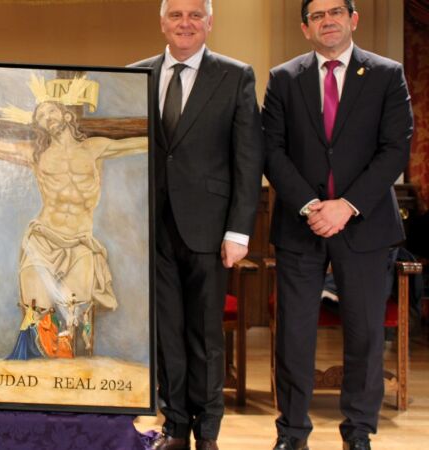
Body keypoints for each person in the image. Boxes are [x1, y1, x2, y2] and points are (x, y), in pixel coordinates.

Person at [262, 1, 413, 449]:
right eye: (317, 15)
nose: (327, 21)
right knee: (293, 335)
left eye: (336, 12)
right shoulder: (283, 78)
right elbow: (272, 151)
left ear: (353, 19)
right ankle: (292, 434)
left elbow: (395, 150)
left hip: (365, 225)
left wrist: (346, 206)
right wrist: (312, 206)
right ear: (305, 27)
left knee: (365, 334)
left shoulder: (387, 74)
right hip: (301, 226)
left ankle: (359, 432)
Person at [131, 1, 264, 449]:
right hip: (151, 230)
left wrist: (239, 231)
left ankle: (207, 432)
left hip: (210, 230)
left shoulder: (235, 76)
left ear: (209, 22)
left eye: (194, 15)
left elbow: (248, 159)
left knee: (205, 335)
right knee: (166, 334)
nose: (184, 23)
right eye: (176, 15)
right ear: (162, 22)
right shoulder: (136, 75)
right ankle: (175, 426)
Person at [0, 99, 147, 357]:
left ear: (66, 116)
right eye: (41, 116)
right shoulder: (37, 154)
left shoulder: (93, 148)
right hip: (43, 238)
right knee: (38, 310)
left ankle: (68, 370)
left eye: (51, 111)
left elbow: (141, 143)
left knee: (73, 314)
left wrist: (164, 134)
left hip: (80, 242)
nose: (47, 117)